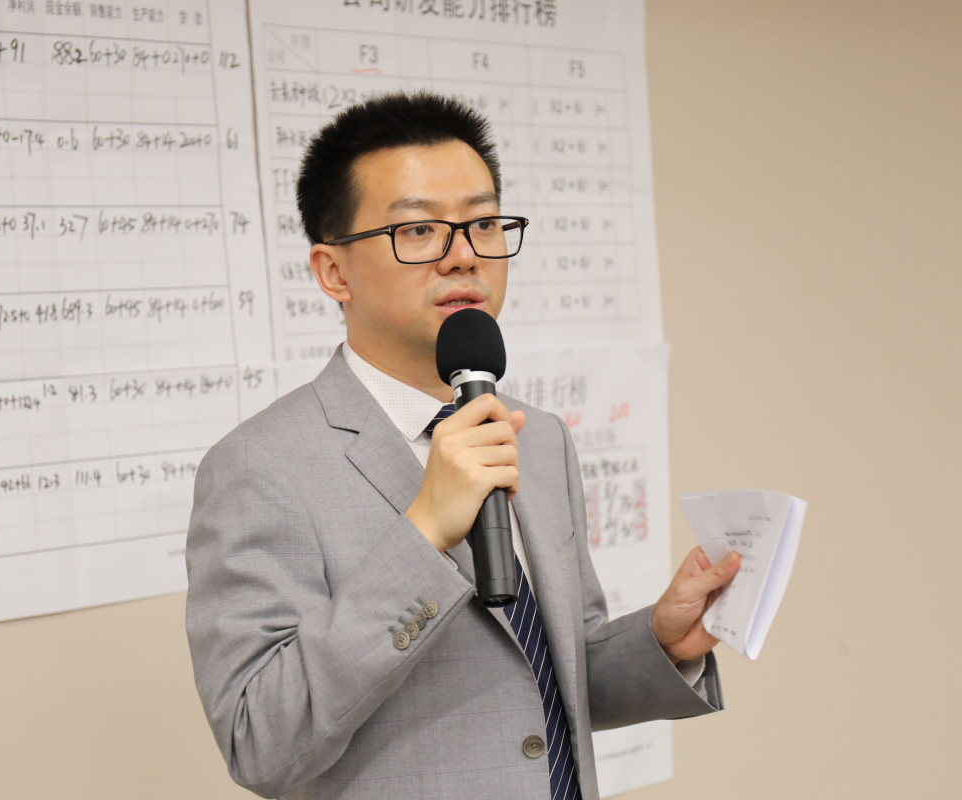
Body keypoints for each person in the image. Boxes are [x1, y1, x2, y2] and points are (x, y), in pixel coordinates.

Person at [184, 92, 740, 800]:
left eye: (482, 223)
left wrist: (660, 641)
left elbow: (542, 682)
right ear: (333, 272)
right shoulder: (260, 466)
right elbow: (260, 743)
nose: (464, 256)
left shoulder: (535, 435)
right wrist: (423, 537)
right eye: (418, 230)